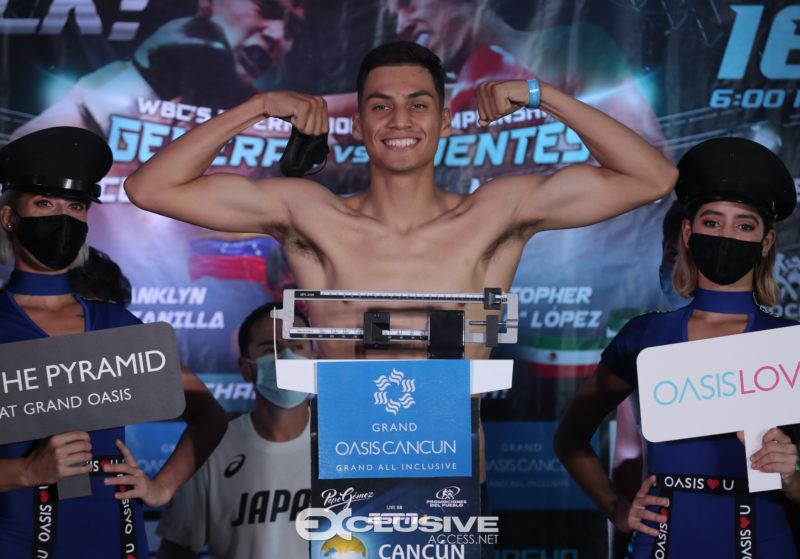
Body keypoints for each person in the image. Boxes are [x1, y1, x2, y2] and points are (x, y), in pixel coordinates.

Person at [125, 40, 676, 480]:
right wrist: (257, 107)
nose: (399, 120)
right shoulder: (310, 214)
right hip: (344, 476)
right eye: (380, 106)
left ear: (445, 122)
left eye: (418, 104)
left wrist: (542, 95)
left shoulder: (496, 213)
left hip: (455, 479)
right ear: (358, 124)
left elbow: (653, 177)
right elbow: (150, 188)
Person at [553, 137, 800, 558]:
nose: (727, 235)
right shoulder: (644, 336)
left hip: (765, 542)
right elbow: (570, 438)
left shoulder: (790, 345)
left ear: (766, 241)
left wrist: (793, 474)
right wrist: (617, 509)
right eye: (712, 222)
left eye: (744, 226)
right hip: (661, 544)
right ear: (688, 232)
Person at [0, 126, 227, 558]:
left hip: (116, 539)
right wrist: (27, 470)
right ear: (9, 218)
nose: (62, 218)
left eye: (75, 206)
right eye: (45, 203)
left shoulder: (114, 323)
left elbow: (209, 415)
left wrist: (160, 489)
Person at [157, 302, 314, 558]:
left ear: (313, 358)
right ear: (245, 368)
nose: (286, 358)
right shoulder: (212, 447)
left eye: (297, 347)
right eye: (270, 349)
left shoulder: (346, 446)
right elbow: (175, 547)